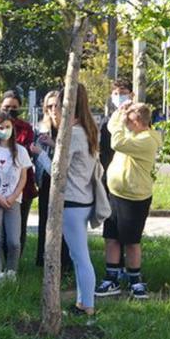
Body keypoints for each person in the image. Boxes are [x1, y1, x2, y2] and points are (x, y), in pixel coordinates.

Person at [100, 101, 162, 300]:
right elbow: (112, 128)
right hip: (115, 193)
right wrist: (119, 112)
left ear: (139, 121)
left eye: (129, 120)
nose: (125, 123)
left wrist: (120, 120)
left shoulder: (147, 140)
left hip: (135, 198)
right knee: (111, 238)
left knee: (131, 242)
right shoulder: (132, 134)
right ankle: (112, 277)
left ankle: (135, 280)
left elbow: (116, 142)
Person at [58, 84, 101, 317]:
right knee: (78, 256)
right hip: (84, 199)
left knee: (81, 257)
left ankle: (88, 306)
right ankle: (82, 303)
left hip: (73, 200)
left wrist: (39, 153)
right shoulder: (88, 128)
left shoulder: (74, 133)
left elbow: (59, 171)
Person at [95, 78, 134, 292]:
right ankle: (113, 273)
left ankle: (132, 273)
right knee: (111, 232)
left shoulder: (138, 120)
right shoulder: (108, 122)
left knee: (130, 233)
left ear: (132, 94)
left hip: (131, 184)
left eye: (124, 92)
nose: (120, 96)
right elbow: (102, 151)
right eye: (116, 92)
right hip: (110, 182)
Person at [0, 113, 30, 282]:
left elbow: (23, 177)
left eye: (8, 127)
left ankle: (11, 271)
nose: (5, 130)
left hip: (13, 200)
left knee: (14, 241)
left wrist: (13, 196)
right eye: (1, 127)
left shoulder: (21, 151)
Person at [0, 91, 38, 266]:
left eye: (14, 107)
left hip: (23, 185)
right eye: (7, 107)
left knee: (18, 226)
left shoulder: (26, 128)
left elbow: (24, 151)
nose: (10, 110)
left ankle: (14, 264)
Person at [34, 90, 72, 270]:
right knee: (45, 221)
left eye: (56, 105)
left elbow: (66, 158)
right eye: (49, 106)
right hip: (45, 182)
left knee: (63, 224)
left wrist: (52, 144)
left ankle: (64, 263)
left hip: (65, 182)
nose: (52, 110)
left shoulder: (69, 128)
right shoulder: (42, 127)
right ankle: (43, 260)